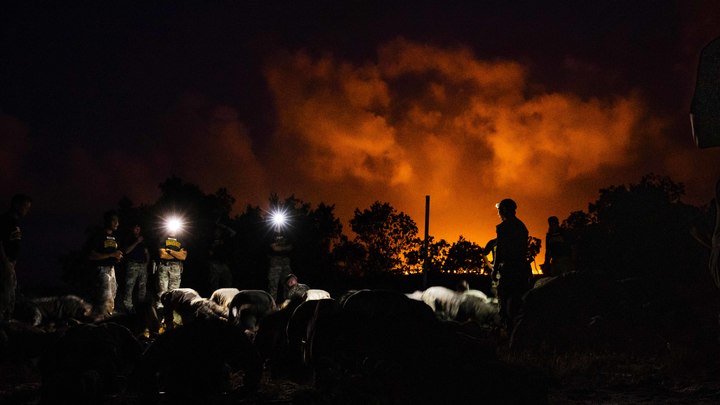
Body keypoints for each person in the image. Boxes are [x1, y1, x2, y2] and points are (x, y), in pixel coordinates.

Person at [491, 198, 532, 334]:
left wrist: (494, 269)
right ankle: (520, 330)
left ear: (504, 210)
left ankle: (508, 331)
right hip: (521, 270)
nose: (498, 212)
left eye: (499, 209)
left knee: (504, 299)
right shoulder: (522, 227)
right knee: (519, 302)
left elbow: (500, 250)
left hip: (508, 270)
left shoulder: (502, 228)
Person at [0, 194, 32, 322]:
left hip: (10, 264)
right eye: (25, 207)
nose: (27, 210)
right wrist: (5, 263)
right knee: (4, 295)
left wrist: (13, 263)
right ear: (16, 205)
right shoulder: (5, 220)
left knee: (10, 295)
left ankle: (7, 322)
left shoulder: (15, 223)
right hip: (4, 264)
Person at [88, 210, 123, 319]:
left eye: (118, 221)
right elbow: (91, 255)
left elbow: (115, 254)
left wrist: (118, 257)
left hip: (112, 269)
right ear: (107, 221)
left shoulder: (116, 237)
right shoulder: (99, 235)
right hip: (101, 269)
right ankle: (102, 319)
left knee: (112, 294)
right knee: (105, 296)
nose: (117, 223)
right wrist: (111, 255)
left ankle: (108, 316)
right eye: (114, 220)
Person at [122, 223, 149, 313]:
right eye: (136, 228)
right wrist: (137, 241)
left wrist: (147, 263)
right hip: (132, 265)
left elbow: (146, 252)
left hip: (143, 266)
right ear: (132, 229)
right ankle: (128, 306)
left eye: (139, 228)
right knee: (130, 286)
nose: (137, 230)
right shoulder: (129, 238)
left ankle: (141, 306)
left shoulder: (143, 240)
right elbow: (126, 251)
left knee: (142, 286)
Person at [156, 229, 188, 308]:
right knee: (162, 289)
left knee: (174, 290)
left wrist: (170, 251)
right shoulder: (162, 239)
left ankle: (171, 307)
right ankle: (161, 307)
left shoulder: (181, 240)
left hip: (176, 268)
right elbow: (163, 255)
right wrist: (177, 254)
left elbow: (183, 256)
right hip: (164, 266)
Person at [207, 223, 236, 292]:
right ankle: (214, 298)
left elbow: (233, 233)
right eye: (216, 231)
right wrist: (213, 247)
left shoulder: (224, 239)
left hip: (224, 264)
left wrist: (224, 226)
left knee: (228, 282)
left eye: (219, 231)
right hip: (214, 264)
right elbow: (208, 252)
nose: (217, 233)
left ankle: (227, 296)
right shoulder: (210, 240)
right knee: (214, 284)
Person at [267, 233, 292, 303]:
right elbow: (274, 248)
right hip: (274, 263)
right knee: (273, 286)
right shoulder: (270, 233)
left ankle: (287, 305)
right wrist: (284, 248)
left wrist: (279, 247)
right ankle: (272, 306)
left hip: (286, 262)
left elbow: (291, 246)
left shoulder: (287, 232)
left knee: (288, 285)